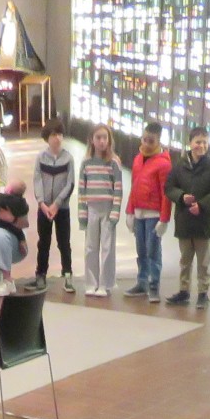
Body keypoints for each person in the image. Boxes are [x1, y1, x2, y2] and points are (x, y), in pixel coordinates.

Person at [164, 127, 210, 309]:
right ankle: (183, 291)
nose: (201, 146)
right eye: (198, 142)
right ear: (190, 143)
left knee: (204, 261)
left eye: (205, 142)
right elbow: (169, 187)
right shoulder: (180, 165)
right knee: (185, 259)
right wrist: (181, 197)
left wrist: (202, 205)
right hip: (184, 219)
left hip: (203, 222)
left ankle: (203, 293)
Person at [124, 122, 172, 302]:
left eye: (150, 141)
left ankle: (154, 285)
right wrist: (130, 211)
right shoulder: (138, 159)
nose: (146, 144)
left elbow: (166, 193)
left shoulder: (164, 164)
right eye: (144, 139)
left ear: (159, 141)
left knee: (153, 250)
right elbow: (134, 186)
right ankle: (142, 282)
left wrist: (164, 219)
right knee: (141, 249)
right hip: (139, 213)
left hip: (153, 215)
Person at [77, 125, 123, 299]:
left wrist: (115, 213)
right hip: (91, 209)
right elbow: (82, 190)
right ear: (92, 140)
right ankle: (91, 283)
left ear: (109, 140)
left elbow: (118, 188)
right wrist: (82, 215)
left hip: (108, 208)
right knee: (90, 247)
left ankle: (105, 283)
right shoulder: (86, 162)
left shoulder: (114, 161)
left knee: (107, 247)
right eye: (98, 137)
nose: (102, 141)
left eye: (105, 138)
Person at [31, 123, 75, 294]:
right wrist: (42, 203)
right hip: (44, 209)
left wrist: (57, 203)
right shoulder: (41, 157)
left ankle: (67, 274)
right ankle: (40, 274)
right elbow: (37, 180)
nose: (57, 138)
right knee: (44, 242)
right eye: (53, 134)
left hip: (61, 209)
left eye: (60, 134)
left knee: (64, 243)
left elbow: (70, 184)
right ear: (47, 138)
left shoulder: (68, 158)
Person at [0, 188, 30, 296]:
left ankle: (7, 281)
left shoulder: (6, 200)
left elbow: (22, 225)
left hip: (12, 245)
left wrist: (22, 239)